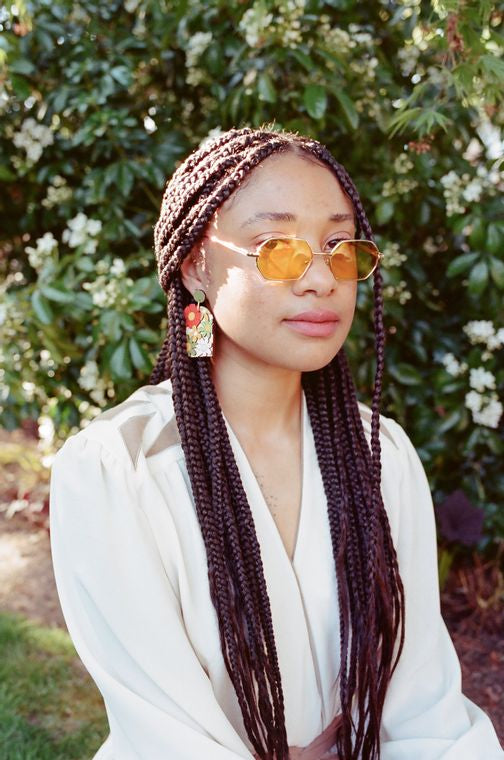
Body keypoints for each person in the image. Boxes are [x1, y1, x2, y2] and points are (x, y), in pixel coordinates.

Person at [49, 127, 503, 760]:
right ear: (196, 265)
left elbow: (423, 706)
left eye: (339, 245)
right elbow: (169, 738)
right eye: (276, 247)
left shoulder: (381, 457)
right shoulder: (118, 469)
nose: (321, 277)